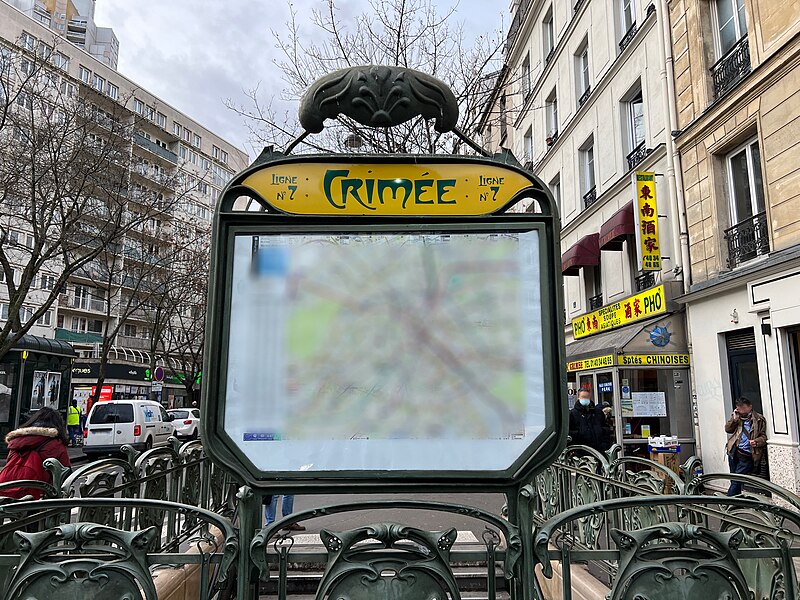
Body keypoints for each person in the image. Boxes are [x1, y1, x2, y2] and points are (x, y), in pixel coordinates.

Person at [0, 407, 71, 499]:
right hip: (34, 498)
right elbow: (66, 475)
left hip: (5, 490)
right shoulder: (55, 445)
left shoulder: (16, 442)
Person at [725, 397, 767, 496]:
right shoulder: (737, 418)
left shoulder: (758, 419)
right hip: (734, 451)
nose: (741, 411)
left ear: (750, 407)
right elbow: (728, 429)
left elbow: (764, 437)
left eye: (743, 408)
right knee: (734, 479)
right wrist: (734, 420)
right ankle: (737, 502)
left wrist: (756, 442)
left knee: (737, 479)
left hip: (748, 454)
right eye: (739, 408)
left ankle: (727, 501)